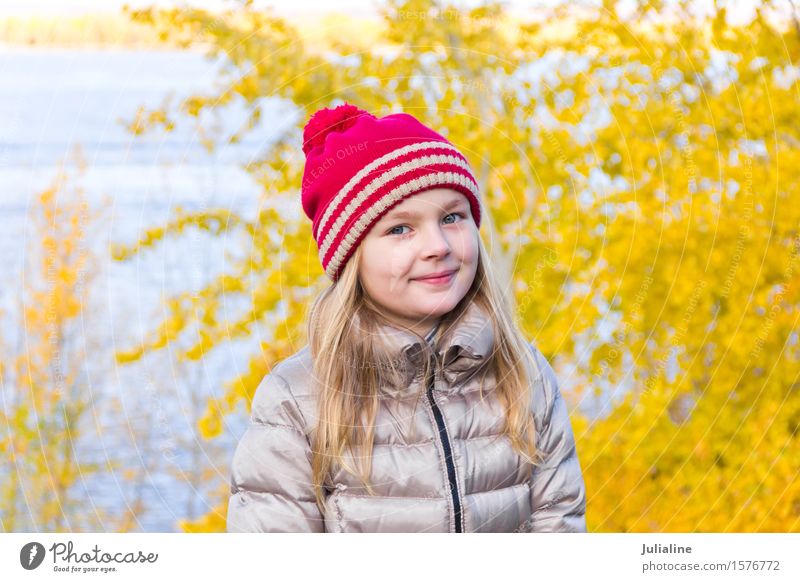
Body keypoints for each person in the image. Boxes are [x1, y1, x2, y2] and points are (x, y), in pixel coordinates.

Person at [226, 103, 587, 533]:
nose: (437, 245)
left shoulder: (523, 374)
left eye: (452, 217)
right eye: (400, 229)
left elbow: (558, 527)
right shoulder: (298, 400)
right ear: (351, 258)